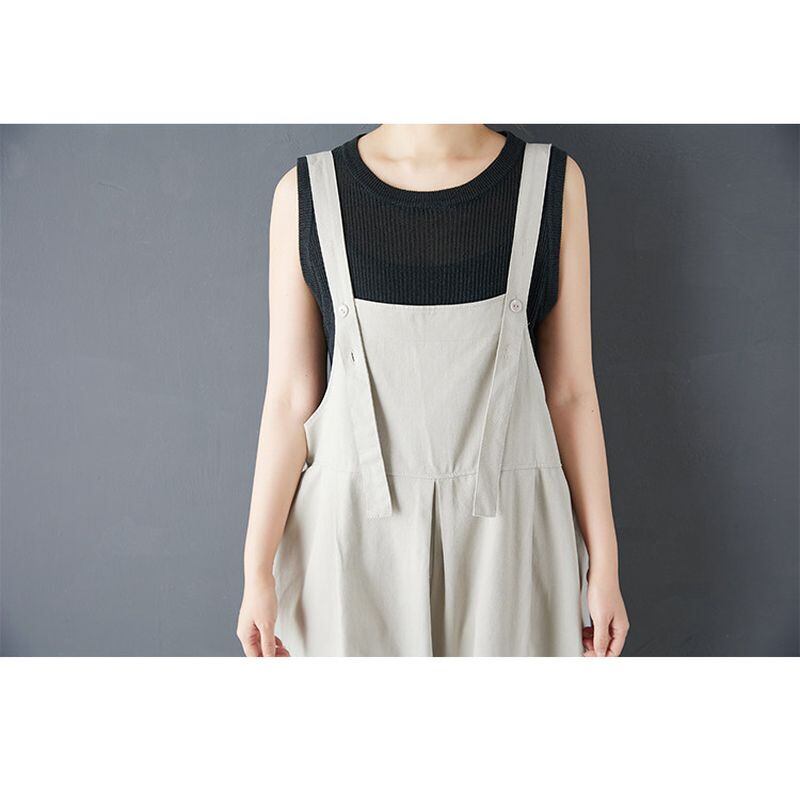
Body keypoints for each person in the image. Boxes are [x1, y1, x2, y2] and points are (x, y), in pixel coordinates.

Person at [237, 125, 629, 656]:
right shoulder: (306, 193)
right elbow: (289, 400)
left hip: (511, 542)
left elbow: (571, 394)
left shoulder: (551, 183)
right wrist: (256, 570)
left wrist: (604, 565)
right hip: (349, 545)